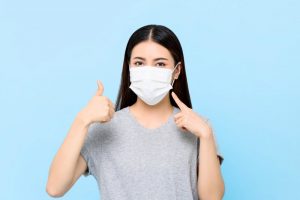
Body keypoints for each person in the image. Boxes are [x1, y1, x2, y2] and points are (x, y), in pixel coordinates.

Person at [46, 24, 225, 200]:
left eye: (160, 64)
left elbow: (212, 198)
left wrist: (206, 136)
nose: (148, 71)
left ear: (176, 71)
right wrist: (82, 120)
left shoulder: (199, 128)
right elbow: (55, 188)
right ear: (129, 68)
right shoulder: (104, 129)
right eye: (139, 63)